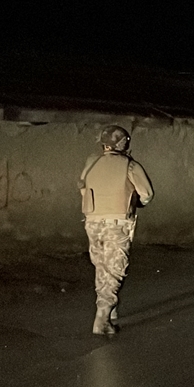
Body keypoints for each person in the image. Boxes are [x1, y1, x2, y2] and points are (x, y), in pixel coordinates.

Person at [79, 125, 154, 336]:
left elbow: (82, 186)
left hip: (92, 220)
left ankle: (108, 310)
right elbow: (147, 194)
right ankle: (102, 318)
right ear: (123, 143)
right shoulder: (129, 165)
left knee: (101, 265)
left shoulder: (91, 162)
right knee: (115, 268)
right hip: (117, 222)